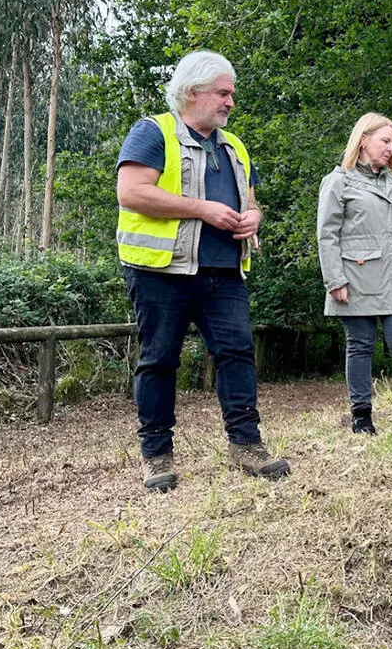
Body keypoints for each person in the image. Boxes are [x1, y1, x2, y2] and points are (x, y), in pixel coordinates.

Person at [116, 50, 291, 492]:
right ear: (193, 93)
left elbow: (250, 202)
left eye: (231, 94)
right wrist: (202, 211)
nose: (231, 102)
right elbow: (132, 193)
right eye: (223, 93)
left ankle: (246, 446)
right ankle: (156, 455)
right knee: (159, 360)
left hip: (225, 271)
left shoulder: (235, 146)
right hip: (161, 271)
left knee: (237, 355)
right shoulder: (152, 132)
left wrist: (254, 217)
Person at [317, 112, 392, 437]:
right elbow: (327, 234)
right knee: (360, 344)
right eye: (384, 141)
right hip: (355, 278)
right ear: (363, 139)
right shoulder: (338, 181)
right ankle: (362, 417)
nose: (389, 148)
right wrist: (335, 280)